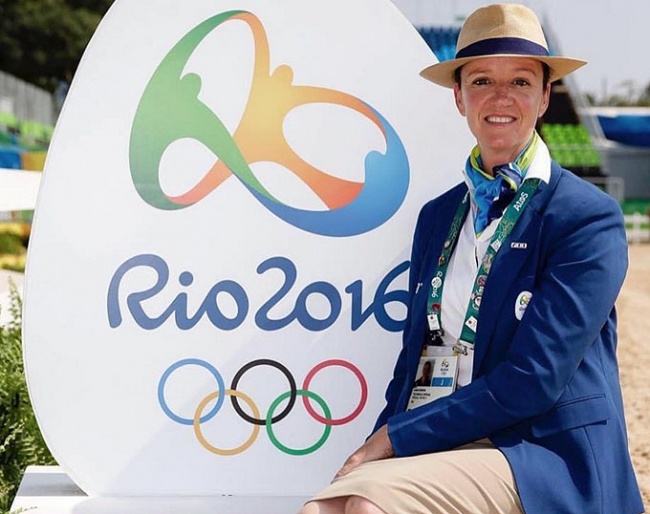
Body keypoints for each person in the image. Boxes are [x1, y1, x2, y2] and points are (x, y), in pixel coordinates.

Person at [299, 4, 644, 514]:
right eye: (482, 80)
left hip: (540, 451)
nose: (501, 97)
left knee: (370, 509)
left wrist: (394, 439)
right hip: (448, 440)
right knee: (324, 509)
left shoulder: (586, 218)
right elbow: (414, 359)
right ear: (459, 97)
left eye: (521, 82)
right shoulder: (437, 217)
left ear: (545, 96)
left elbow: (533, 380)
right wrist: (373, 448)